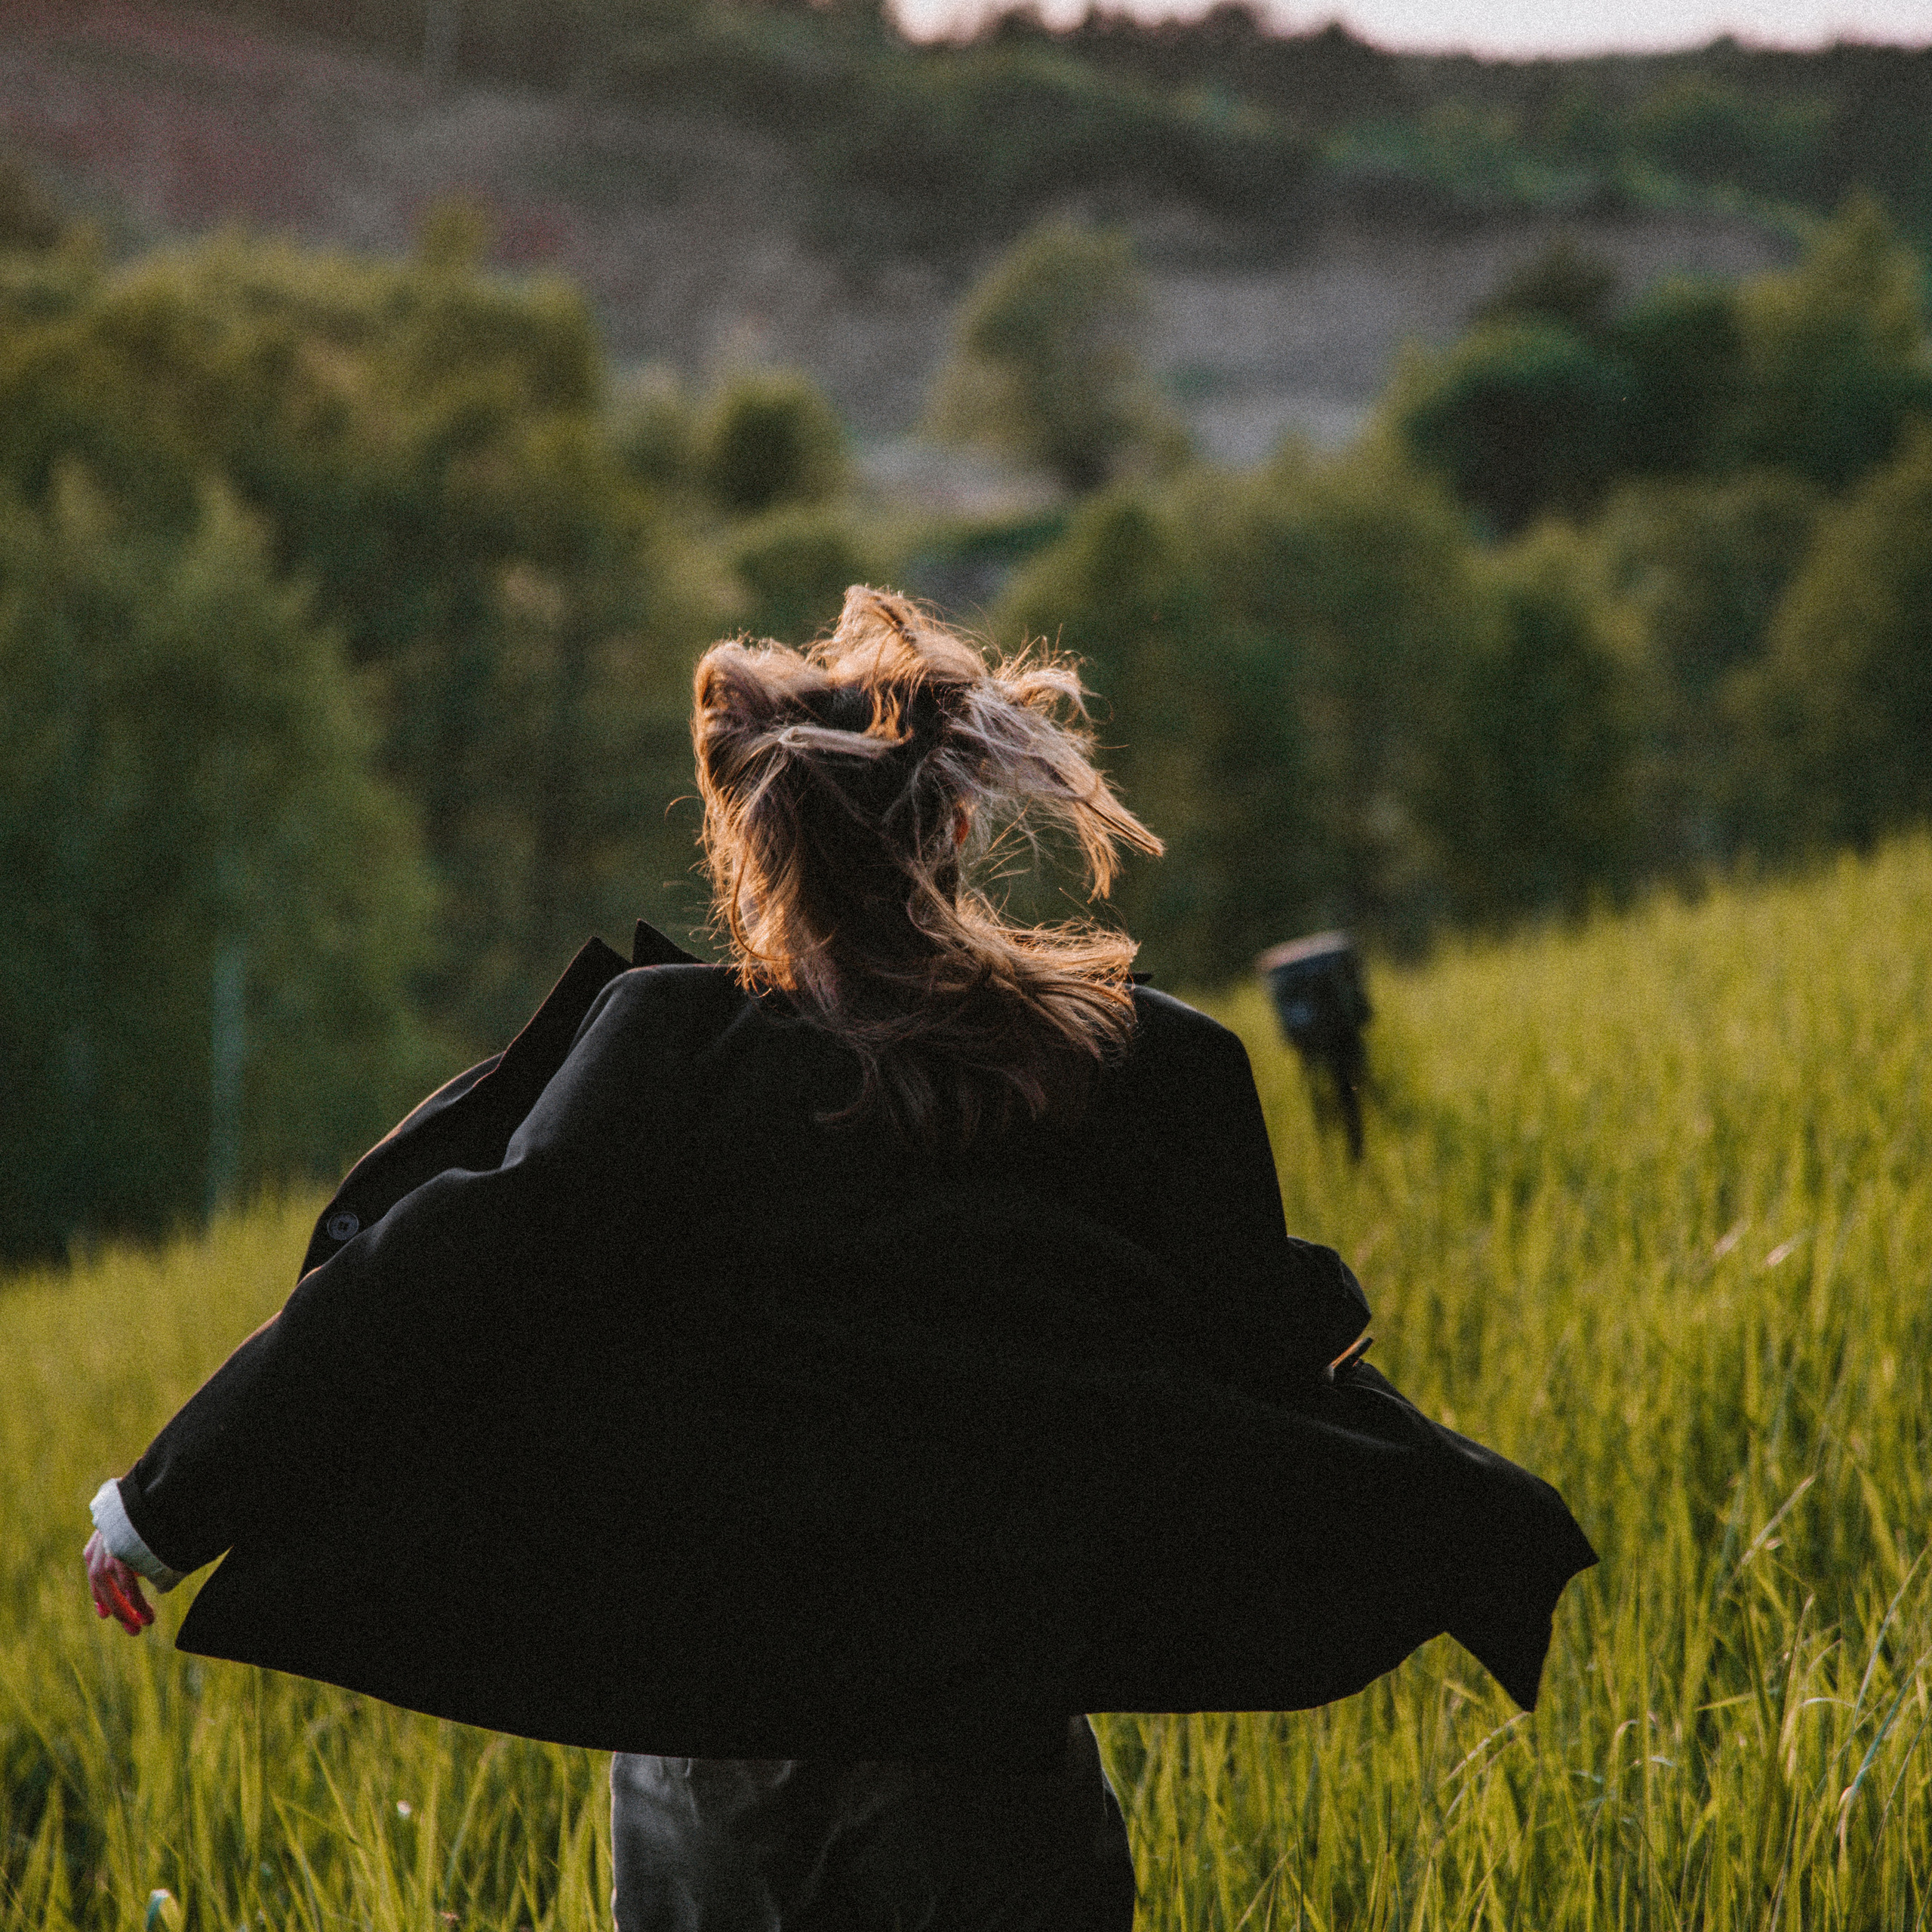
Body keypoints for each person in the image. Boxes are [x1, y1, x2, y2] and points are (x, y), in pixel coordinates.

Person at [85, 586, 1595, 1931]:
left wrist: (164, 1502)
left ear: (748, 843)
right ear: (947, 826)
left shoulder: (667, 1051)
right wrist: (1452, 1505)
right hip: (983, 1739)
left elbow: (431, 1271)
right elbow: (1270, 1346)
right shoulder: (1136, 1063)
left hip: (713, 1747)